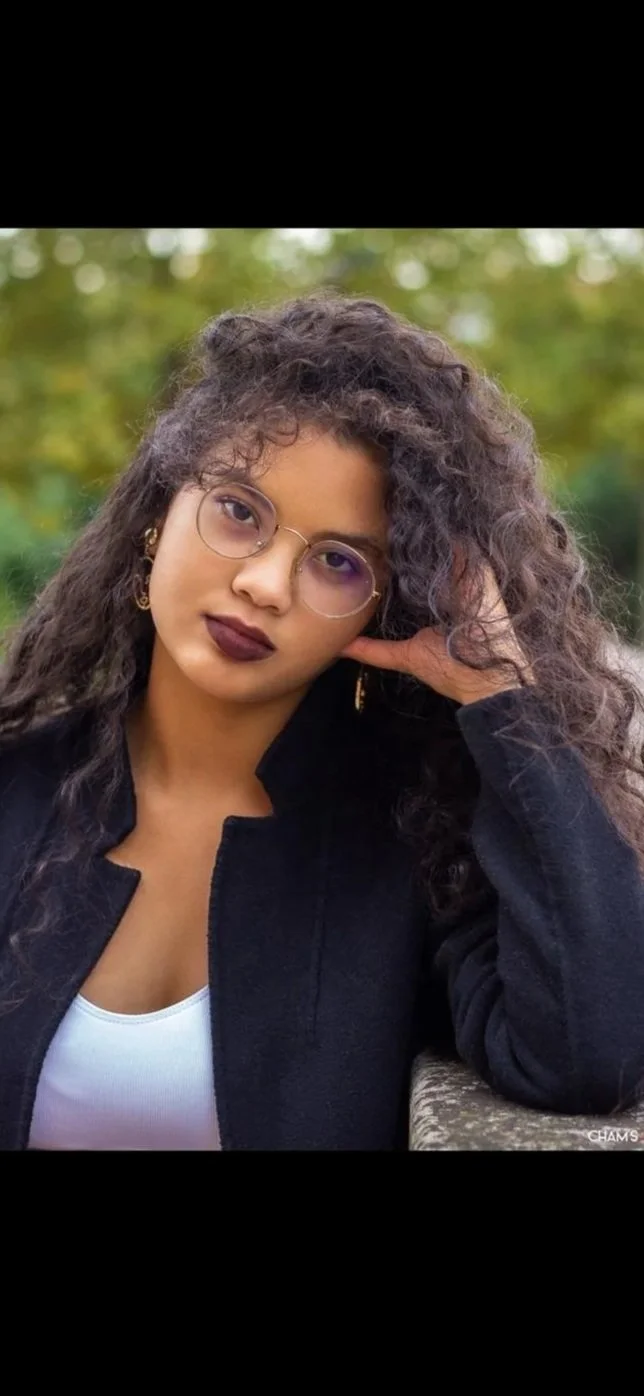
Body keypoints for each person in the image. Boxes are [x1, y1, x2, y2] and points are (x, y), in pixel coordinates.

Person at [1, 292, 644, 1152]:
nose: (266, 583)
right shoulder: (14, 787)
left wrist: (503, 699)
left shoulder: (411, 848)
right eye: (239, 510)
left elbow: (588, 1053)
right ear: (160, 514)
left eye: (338, 562)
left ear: (382, 610)